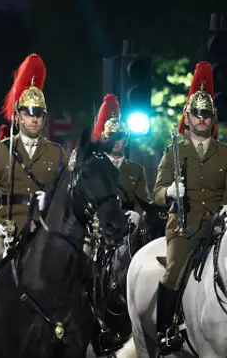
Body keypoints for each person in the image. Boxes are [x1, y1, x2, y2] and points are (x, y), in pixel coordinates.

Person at [0, 54, 67, 353]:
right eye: (29, 112)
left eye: (39, 113)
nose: (34, 118)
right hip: (6, 228)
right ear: (18, 115)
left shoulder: (57, 154)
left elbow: (65, 200)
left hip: (44, 230)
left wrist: (51, 207)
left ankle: (90, 324)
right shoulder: (2, 151)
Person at [153, 61, 227, 354]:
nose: (201, 119)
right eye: (196, 114)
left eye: (206, 114)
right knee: (173, 271)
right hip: (185, 226)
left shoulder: (224, 153)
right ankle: (165, 330)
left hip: (219, 225)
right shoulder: (175, 150)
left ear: (213, 118)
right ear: (188, 117)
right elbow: (156, 192)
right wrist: (170, 192)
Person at [92, 94, 150, 225]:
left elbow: (143, 201)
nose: (116, 140)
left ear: (126, 140)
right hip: (99, 225)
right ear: (105, 138)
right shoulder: (94, 167)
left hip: (128, 225)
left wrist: (138, 215)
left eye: (120, 136)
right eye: (111, 136)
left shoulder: (136, 170)